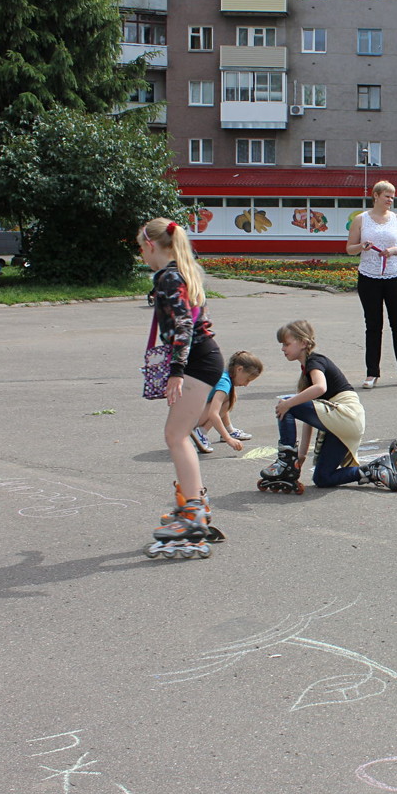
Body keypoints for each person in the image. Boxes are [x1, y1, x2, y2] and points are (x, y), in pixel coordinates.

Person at [137, 217, 225, 558]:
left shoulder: (170, 278)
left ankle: (192, 513)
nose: (141, 255)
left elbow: (184, 325)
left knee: (176, 435)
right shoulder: (182, 272)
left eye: (141, 248)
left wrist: (176, 371)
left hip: (197, 361)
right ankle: (195, 501)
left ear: (151, 245)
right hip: (202, 358)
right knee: (179, 434)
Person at [258, 320, 397, 494]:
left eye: (286, 344)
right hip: (343, 424)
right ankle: (376, 470)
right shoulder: (307, 369)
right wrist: (301, 456)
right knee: (322, 478)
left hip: (346, 415)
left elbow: (320, 388)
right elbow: (308, 418)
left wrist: (288, 404)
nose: (282, 349)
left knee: (286, 402)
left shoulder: (314, 361)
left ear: (303, 343)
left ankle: (285, 462)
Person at [347, 180, 397, 389]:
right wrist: (362, 246)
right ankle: (372, 373)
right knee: (373, 325)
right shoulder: (361, 219)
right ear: (376, 196)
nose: (390, 200)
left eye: (393, 196)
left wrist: (395, 250)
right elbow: (349, 249)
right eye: (387, 196)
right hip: (368, 277)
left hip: (395, 276)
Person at [192, 350, 264, 454]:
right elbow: (213, 414)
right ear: (239, 369)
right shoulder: (224, 382)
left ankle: (229, 430)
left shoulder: (224, 373)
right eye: (247, 379)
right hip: (189, 419)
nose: (246, 384)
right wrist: (228, 439)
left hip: (188, 413)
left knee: (230, 397)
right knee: (229, 397)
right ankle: (202, 432)